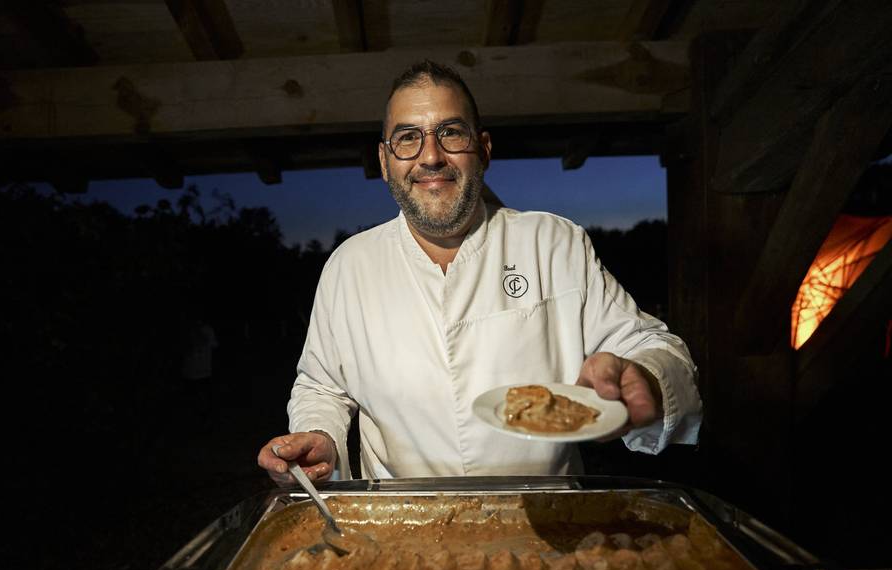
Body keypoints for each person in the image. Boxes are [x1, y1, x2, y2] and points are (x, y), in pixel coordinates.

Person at [257, 60, 701, 484]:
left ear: (483, 149)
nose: (430, 156)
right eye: (407, 138)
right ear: (384, 158)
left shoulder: (553, 243)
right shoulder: (348, 266)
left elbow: (651, 346)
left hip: (545, 522)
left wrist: (646, 377)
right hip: (400, 524)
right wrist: (320, 436)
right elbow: (322, 386)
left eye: (451, 133)